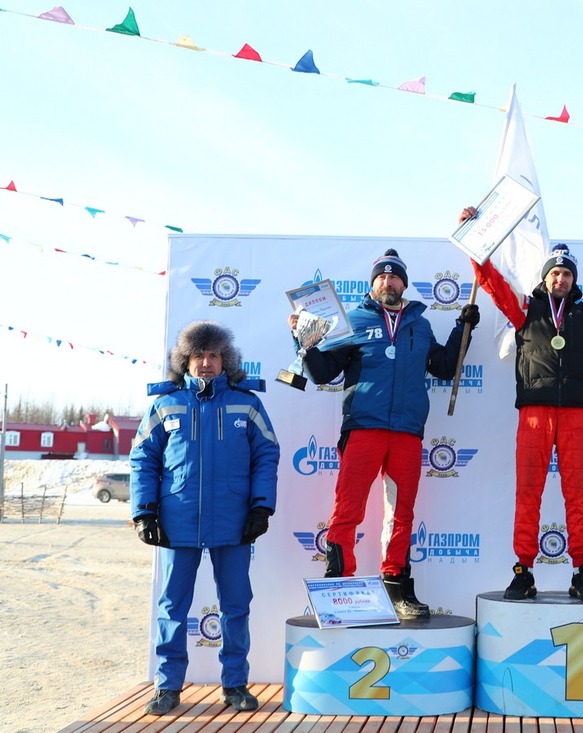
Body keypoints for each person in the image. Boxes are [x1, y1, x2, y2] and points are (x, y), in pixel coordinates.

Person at [457, 206, 583, 601]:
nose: (560, 278)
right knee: (528, 493)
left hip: (575, 414)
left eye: (566, 273)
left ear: (573, 280)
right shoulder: (525, 309)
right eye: (555, 273)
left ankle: (582, 570)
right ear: (545, 278)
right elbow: (491, 280)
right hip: (534, 412)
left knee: (578, 494)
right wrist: (472, 236)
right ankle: (523, 570)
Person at [291, 248, 479, 619]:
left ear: (404, 284)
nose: (387, 282)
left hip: (407, 431)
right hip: (364, 426)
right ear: (372, 283)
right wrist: (304, 341)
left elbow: (443, 367)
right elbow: (324, 372)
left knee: (401, 513)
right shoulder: (353, 320)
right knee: (348, 508)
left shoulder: (419, 324)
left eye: (394, 277)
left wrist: (463, 330)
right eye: (381, 277)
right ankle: (337, 585)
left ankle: (396, 587)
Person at [130, 321, 280, 717]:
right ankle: (167, 687)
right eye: (199, 356)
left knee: (235, 606)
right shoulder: (166, 405)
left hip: (234, 523)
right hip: (177, 522)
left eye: (214, 355)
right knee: (172, 607)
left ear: (225, 360)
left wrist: (261, 506)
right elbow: (142, 459)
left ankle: (235, 685)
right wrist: (144, 511)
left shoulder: (247, 404)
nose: (207, 363)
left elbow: (267, 454)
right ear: (186, 361)